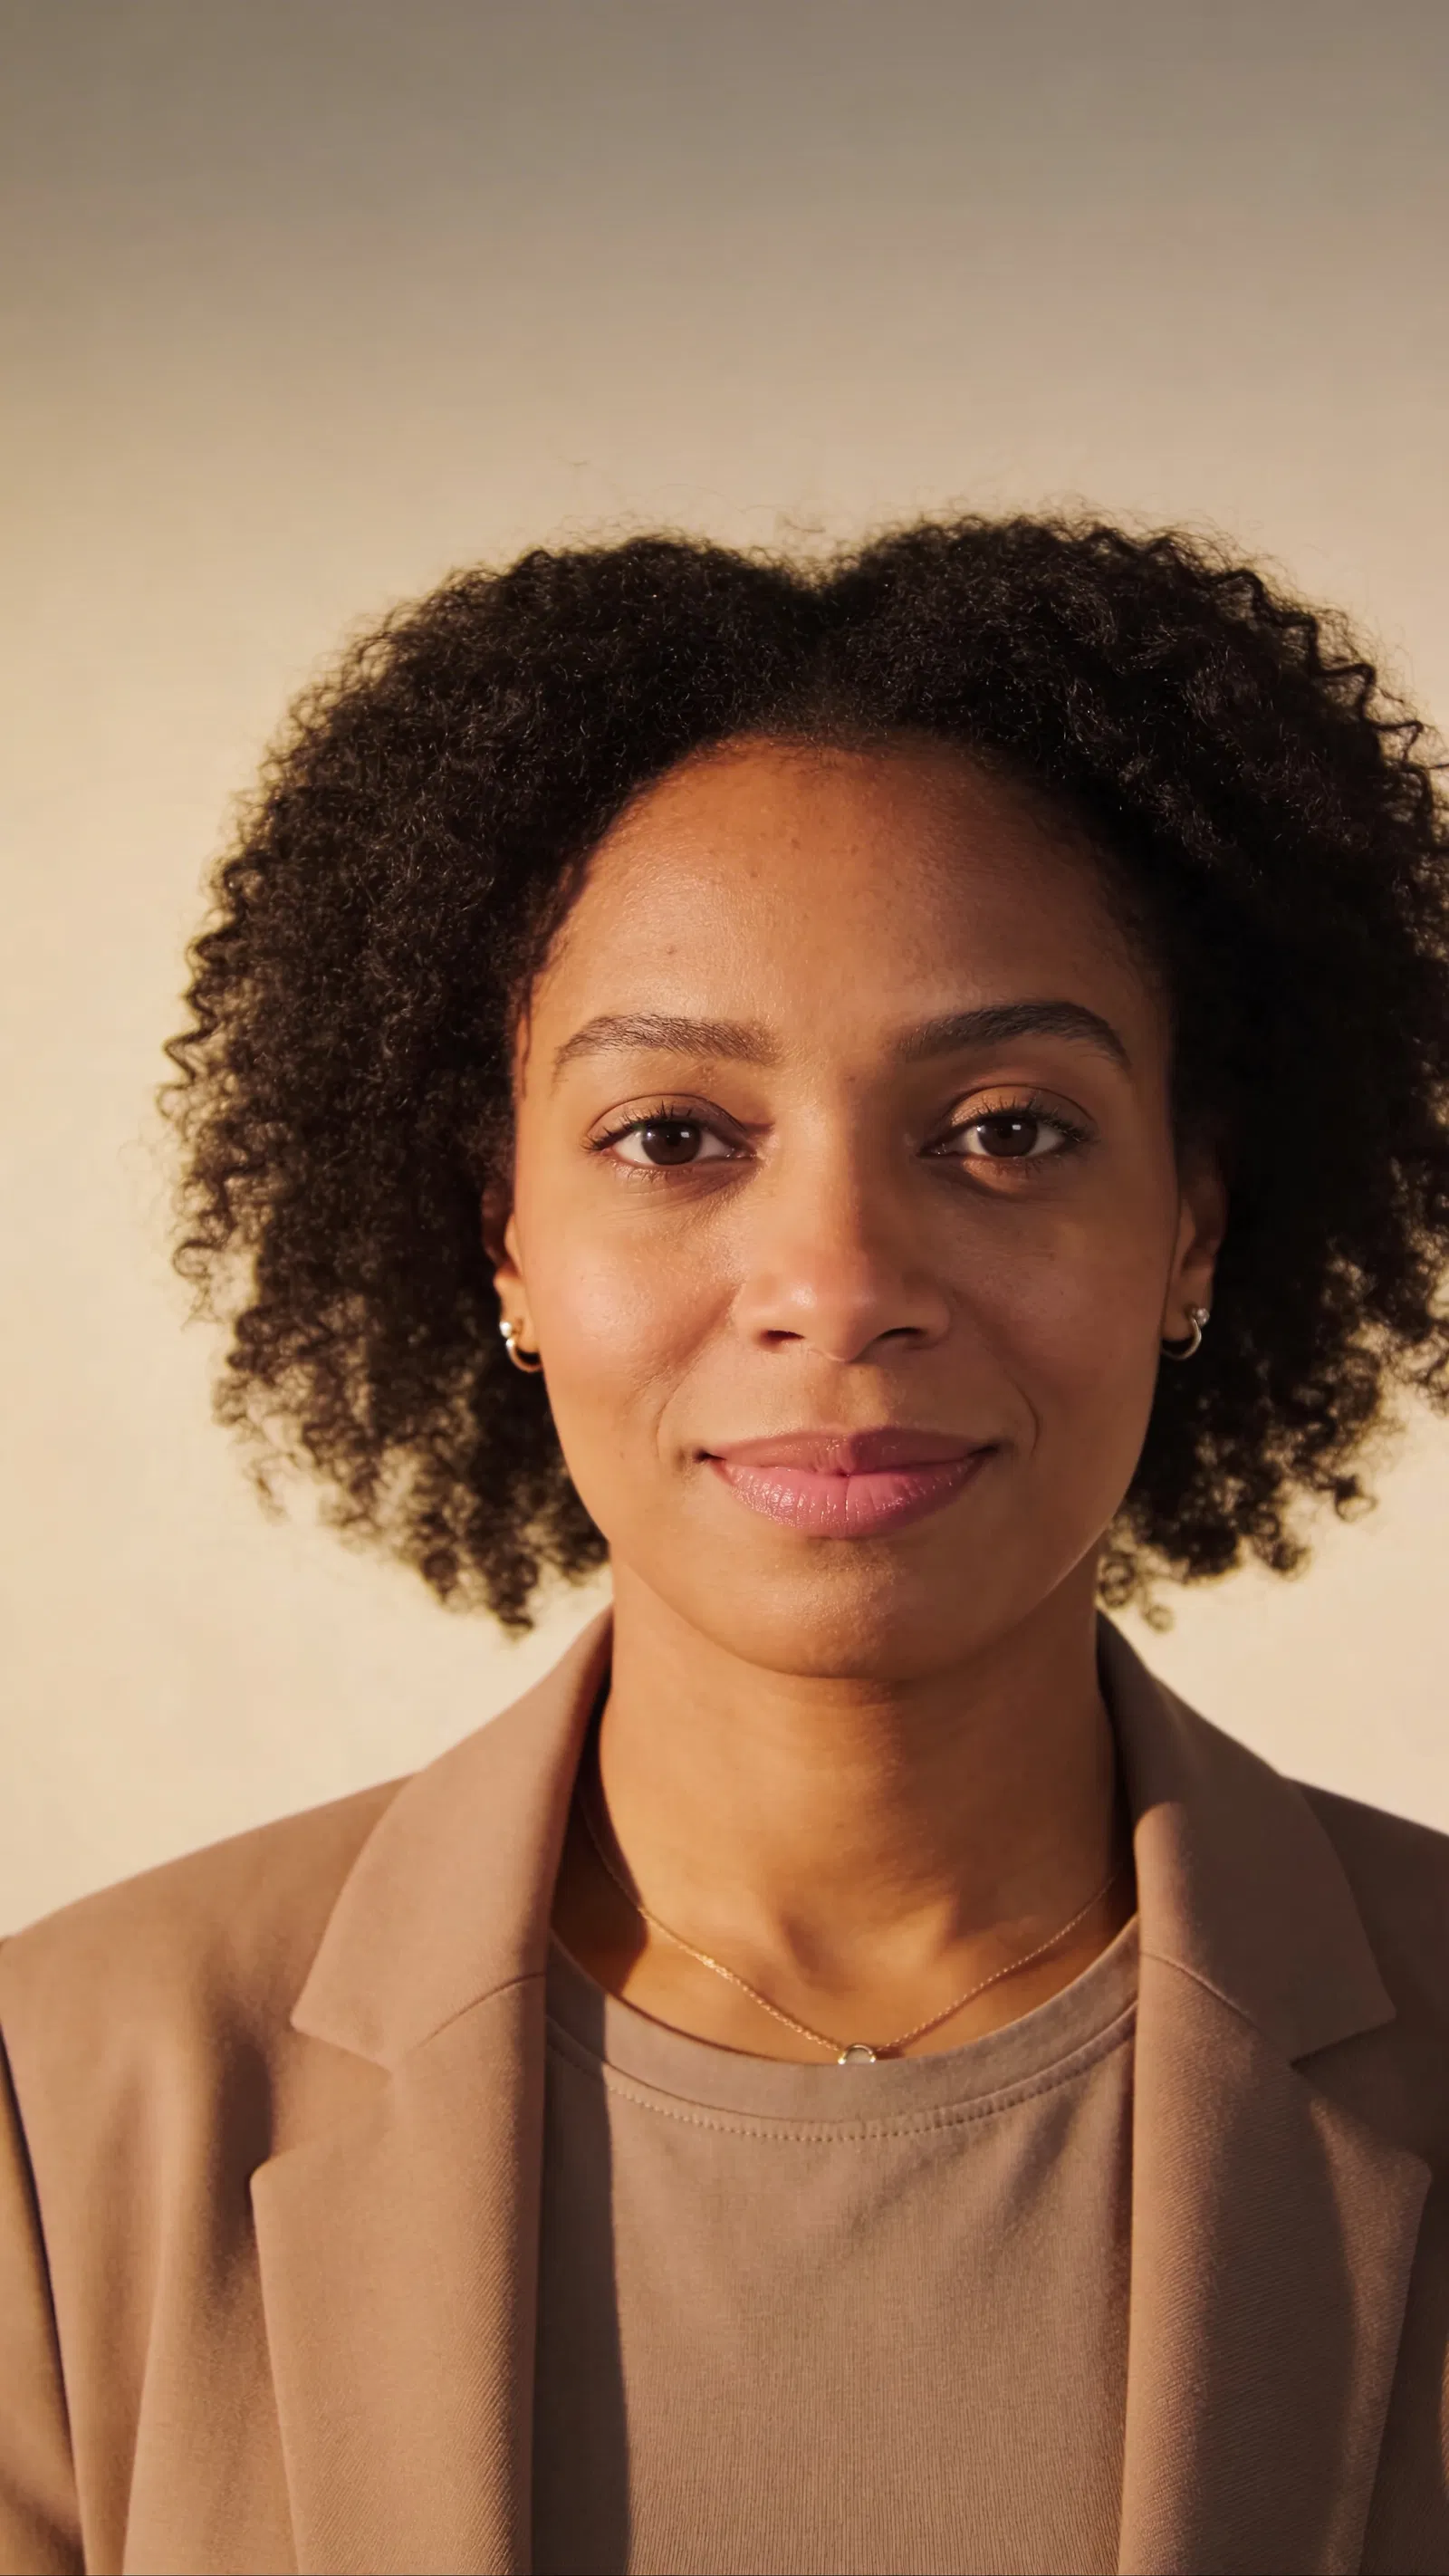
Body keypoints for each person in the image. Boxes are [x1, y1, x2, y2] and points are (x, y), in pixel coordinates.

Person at [3, 515, 1448, 2576]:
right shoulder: (65, 2117)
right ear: (503, 1236)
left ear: (1189, 1227)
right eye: (674, 1136)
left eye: (1006, 1129)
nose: (838, 1279)